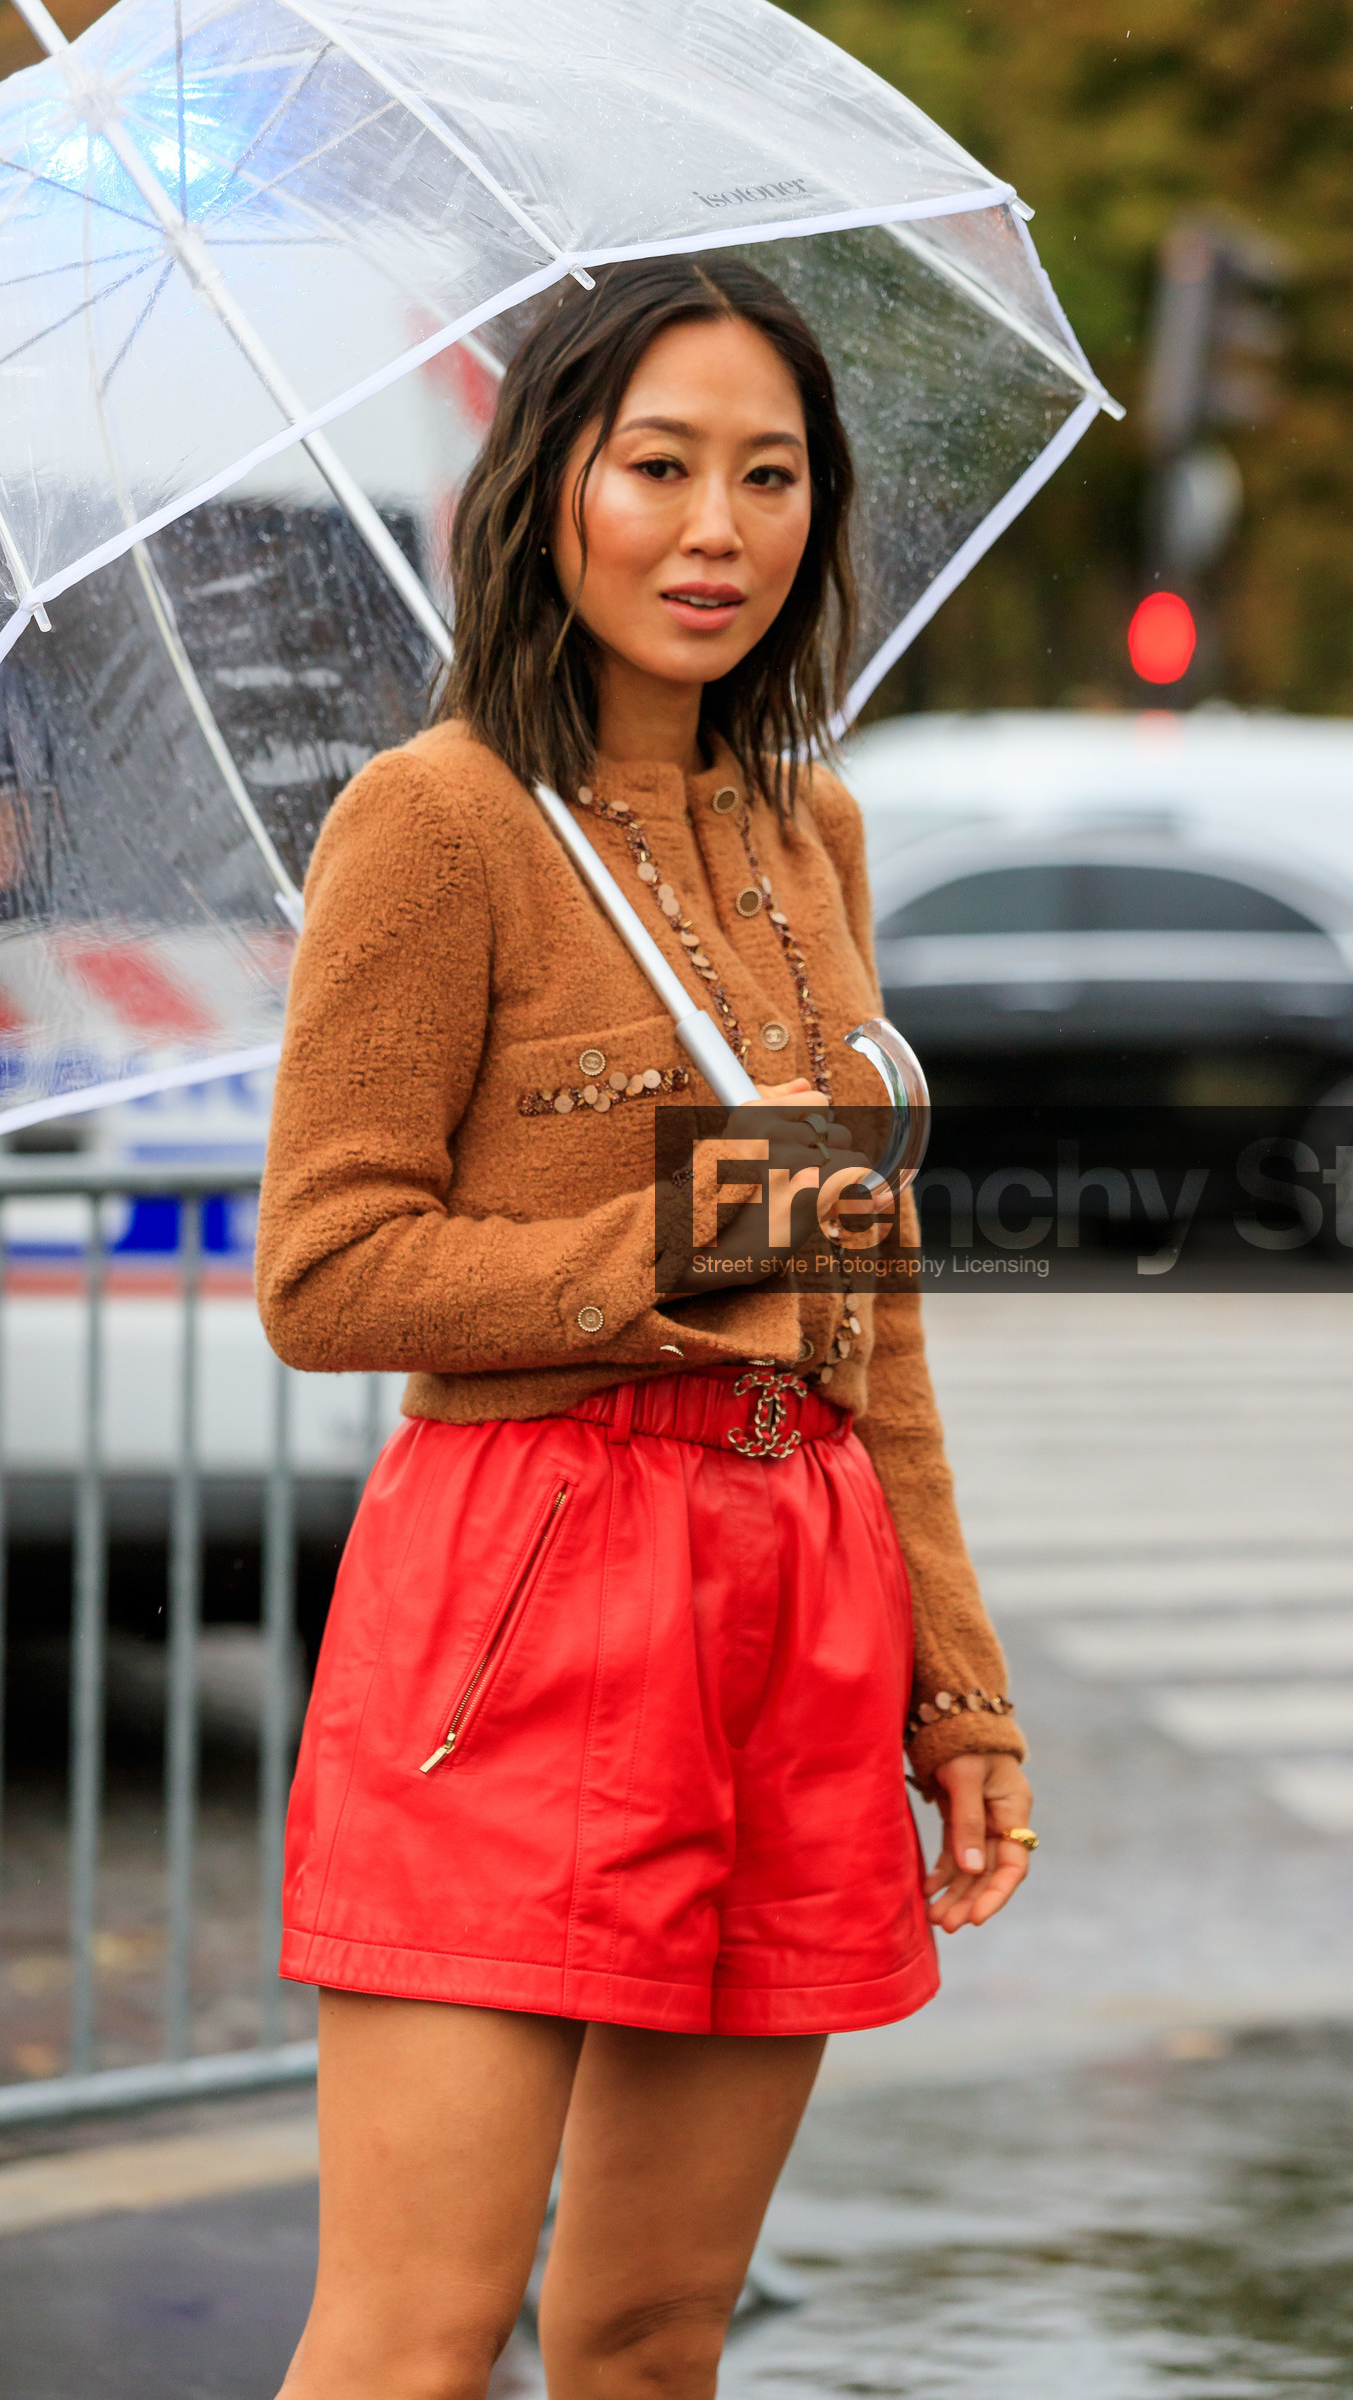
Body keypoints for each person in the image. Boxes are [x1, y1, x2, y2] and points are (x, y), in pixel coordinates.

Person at [256, 256, 1034, 2400]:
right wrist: (664, 1244)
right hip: (521, 1596)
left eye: (766, 475)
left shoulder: (814, 827)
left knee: (649, 2333)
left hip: (793, 1600)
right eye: (659, 466)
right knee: (415, 2340)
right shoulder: (434, 820)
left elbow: (866, 1315)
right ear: (551, 492)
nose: (716, 528)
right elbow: (325, 1273)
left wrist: (955, 1689)